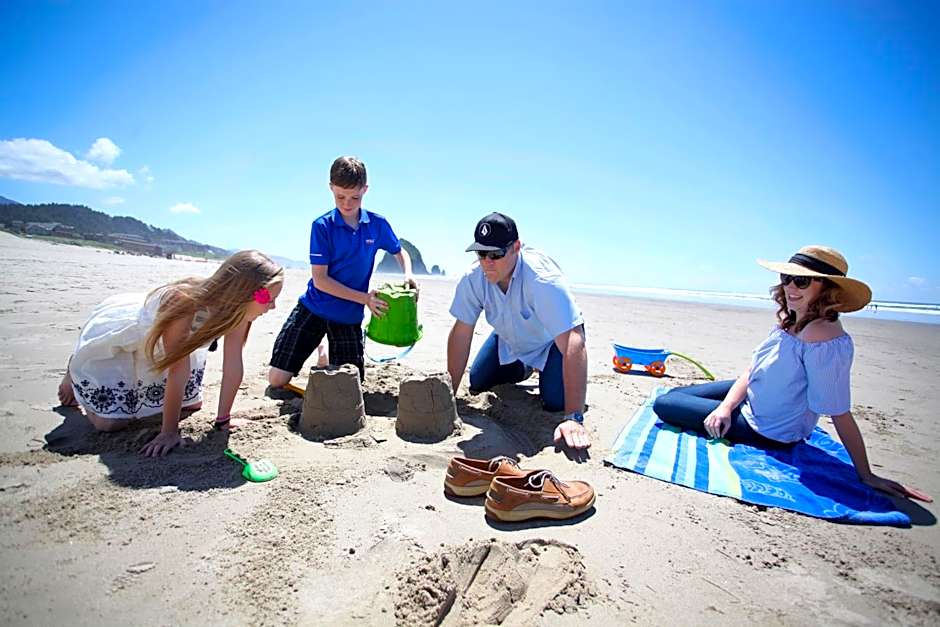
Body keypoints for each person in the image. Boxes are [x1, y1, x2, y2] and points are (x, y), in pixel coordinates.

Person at [653, 245, 931, 502]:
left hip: (766, 427)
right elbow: (753, 370)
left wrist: (866, 474)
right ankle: (722, 408)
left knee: (663, 403)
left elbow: (839, 412)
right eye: (787, 278)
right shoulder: (792, 321)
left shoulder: (823, 337)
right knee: (676, 396)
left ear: (828, 288)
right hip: (752, 395)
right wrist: (726, 407)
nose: (790, 287)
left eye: (802, 281)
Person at [56, 250, 285, 457]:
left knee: (191, 405)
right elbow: (177, 369)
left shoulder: (239, 314)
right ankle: (74, 372)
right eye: (269, 300)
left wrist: (223, 421)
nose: (272, 307)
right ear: (242, 292)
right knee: (110, 423)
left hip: (172, 348)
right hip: (133, 339)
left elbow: (233, 366)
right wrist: (169, 432)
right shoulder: (185, 302)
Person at [447, 212, 590, 451]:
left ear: (516, 247)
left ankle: (543, 369)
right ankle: (525, 367)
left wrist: (574, 417)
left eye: (496, 254)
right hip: (509, 338)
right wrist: (448, 393)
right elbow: (462, 331)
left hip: (552, 343)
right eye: (481, 253)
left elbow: (574, 339)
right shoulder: (473, 278)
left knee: (555, 401)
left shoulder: (543, 281)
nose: (487, 262)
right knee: (478, 380)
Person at [268, 156, 416, 386]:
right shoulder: (322, 226)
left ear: (365, 190)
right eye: (340, 196)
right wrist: (365, 299)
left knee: (349, 386)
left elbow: (399, 252)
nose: (347, 203)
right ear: (331, 189)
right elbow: (320, 281)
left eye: (354, 197)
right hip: (314, 308)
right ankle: (322, 347)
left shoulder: (377, 224)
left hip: (348, 317)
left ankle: (325, 351)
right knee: (277, 380)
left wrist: (408, 274)